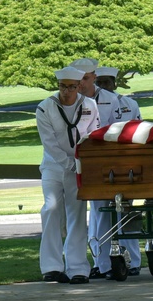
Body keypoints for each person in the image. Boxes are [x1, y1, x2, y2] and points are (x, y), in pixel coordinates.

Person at [36, 66, 100, 284]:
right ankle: (51, 266)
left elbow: (93, 135)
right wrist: (69, 164)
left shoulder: (89, 105)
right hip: (53, 167)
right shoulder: (45, 108)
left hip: (79, 166)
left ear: (79, 86)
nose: (67, 92)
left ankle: (78, 267)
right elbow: (50, 144)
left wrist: (84, 163)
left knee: (77, 214)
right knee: (51, 209)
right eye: (63, 87)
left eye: (71, 87)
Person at [72, 57, 124, 277]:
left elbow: (119, 129)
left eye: (85, 78)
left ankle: (107, 262)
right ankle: (98, 262)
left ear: (93, 77)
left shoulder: (112, 100)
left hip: (106, 161)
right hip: (80, 161)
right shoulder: (70, 101)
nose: (81, 83)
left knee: (107, 212)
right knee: (92, 214)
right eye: (78, 79)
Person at [95, 67, 143, 274]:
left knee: (126, 214)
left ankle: (133, 261)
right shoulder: (89, 104)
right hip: (99, 166)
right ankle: (102, 264)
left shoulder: (129, 104)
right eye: (100, 82)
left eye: (108, 82)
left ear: (114, 83)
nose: (104, 87)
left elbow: (138, 130)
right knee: (100, 217)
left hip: (125, 165)